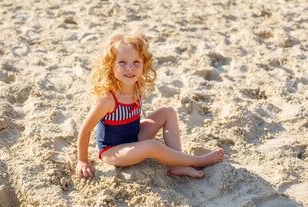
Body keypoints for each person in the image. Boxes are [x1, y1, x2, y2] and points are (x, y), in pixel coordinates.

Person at [76, 27, 224, 179]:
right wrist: (82, 160)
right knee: (154, 146)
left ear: (144, 64)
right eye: (122, 62)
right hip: (113, 151)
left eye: (136, 62)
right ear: (111, 66)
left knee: (167, 111)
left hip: (135, 137)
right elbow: (85, 129)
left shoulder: (137, 85)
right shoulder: (107, 99)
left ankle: (177, 164)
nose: (130, 68)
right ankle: (198, 161)